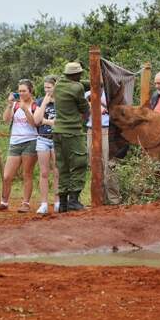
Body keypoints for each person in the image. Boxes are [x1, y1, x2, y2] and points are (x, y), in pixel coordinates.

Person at [0, 79, 39, 212]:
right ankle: (4, 203)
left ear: (30, 91)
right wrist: (9, 104)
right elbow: (6, 119)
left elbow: (35, 123)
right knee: (7, 175)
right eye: (20, 91)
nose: (21, 93)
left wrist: (26, 110)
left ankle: (26, 203)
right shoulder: (15, 105)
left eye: (24, 91)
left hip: (30, 141)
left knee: (27, 173)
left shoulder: (35, 105)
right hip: (15, 142)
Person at [53, 62, 90, 212]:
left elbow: (81, 83)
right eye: (79, 74)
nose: (81, 76)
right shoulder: (77, 88)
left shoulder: (59, 84)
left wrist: (92, 83)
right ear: (75, 75)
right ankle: (74, 200)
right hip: (72, 131)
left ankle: (63, 203)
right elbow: (84, 107)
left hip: (57, 132)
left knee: (63, 167)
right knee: (79, 163)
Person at [85, 87, 121, 205]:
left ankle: (114, 199)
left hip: (107, 130)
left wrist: (100, 103)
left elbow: (118, 112)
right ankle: (99, 199)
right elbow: (82, 113)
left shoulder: (112, 93)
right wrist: (90, 106)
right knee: (94, 164)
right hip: (91, 130)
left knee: (109, 164)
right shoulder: (87, 94)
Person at [33, 76, 60, 214]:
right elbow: (37, 120)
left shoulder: (61, 101)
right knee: (44, 173)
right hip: (42, 139)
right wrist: (44, 101)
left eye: (49, 87)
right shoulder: (40, 101)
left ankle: (57, 202)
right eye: (45, 88)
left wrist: (46, 121)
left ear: (56, 86)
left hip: (57, 139)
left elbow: (60, 122)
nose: (47, 90)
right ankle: (43, 203)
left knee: (57, 172)